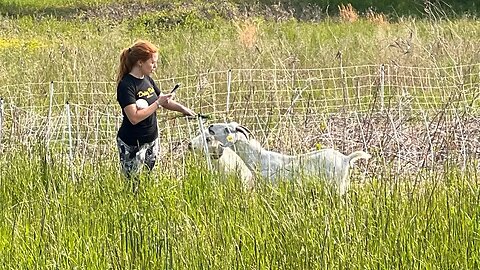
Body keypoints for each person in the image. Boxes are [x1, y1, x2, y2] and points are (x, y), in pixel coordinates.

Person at [116, 39, 195, 179]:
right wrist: (158, 103)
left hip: (152, 139)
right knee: (133, 183)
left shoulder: (147, 79)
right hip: (132, 144)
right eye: (152, 62)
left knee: (149, 179)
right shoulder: (126, 85)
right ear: (140, 62)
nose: (155, 66)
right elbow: (134, 117)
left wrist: (183, 109)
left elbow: (162, 100)